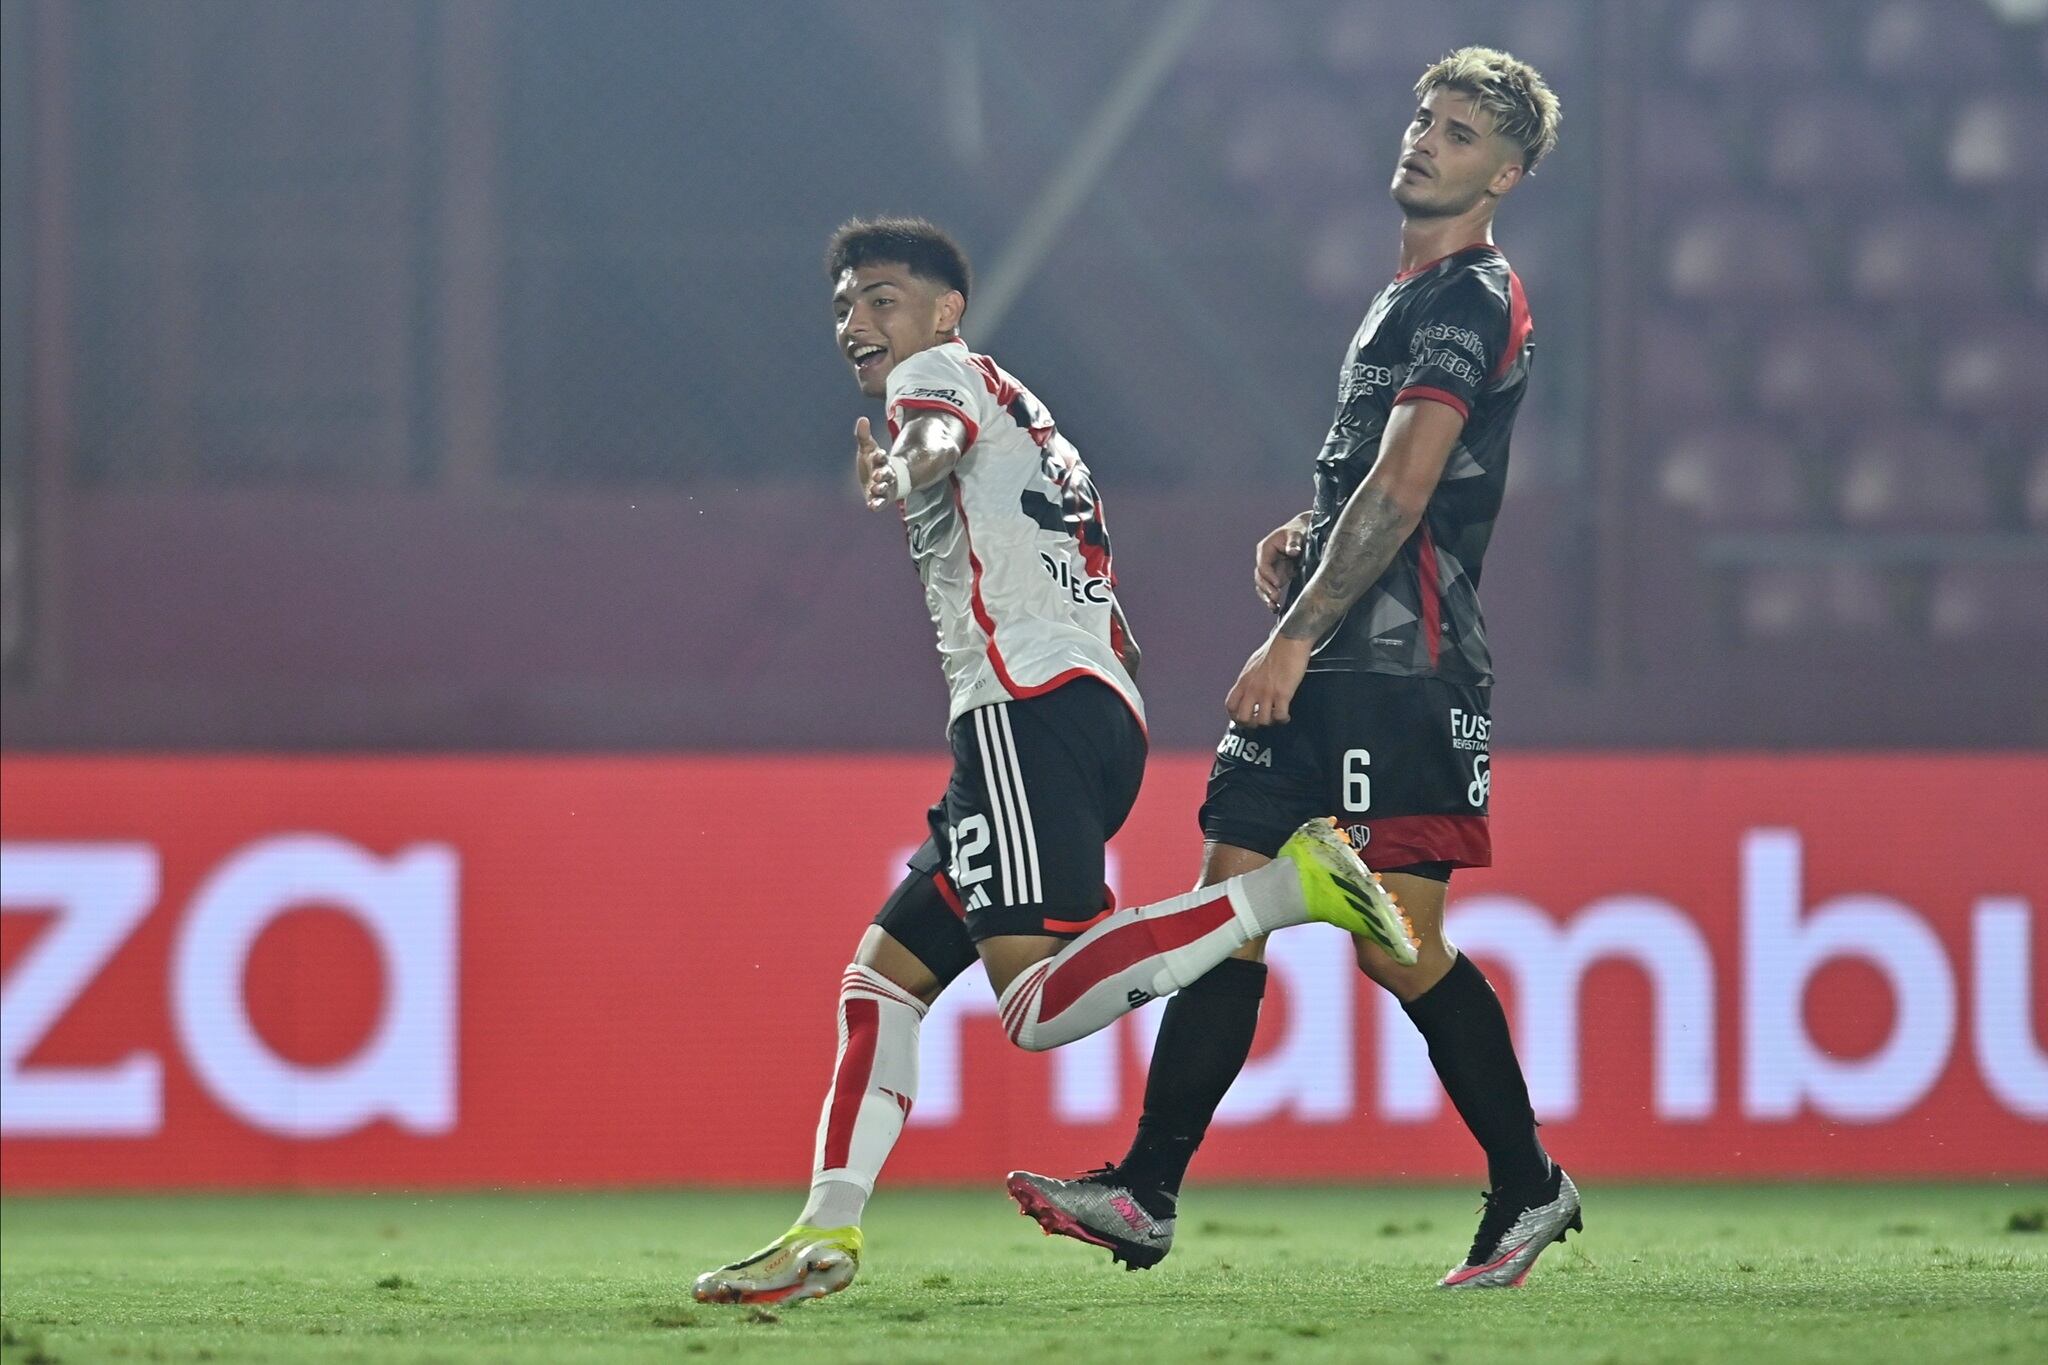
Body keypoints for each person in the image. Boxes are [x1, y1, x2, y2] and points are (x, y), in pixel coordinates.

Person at [691, 217, 1414, 1306]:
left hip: (1019, 706)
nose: (856, 322)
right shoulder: (1031, 413)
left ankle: (1290, 885)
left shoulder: (933, 379)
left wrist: (901, 465)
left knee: (1029, 1002)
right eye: (843, 304)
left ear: (943, 312)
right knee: (880, 979)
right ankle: (822, 1236)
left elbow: (929, 443)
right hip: (1075, 703)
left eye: (881, 298)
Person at [1006, 48, 1579, 1291]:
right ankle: (1145, 1192)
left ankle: (1530, 1184)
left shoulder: (1474, 297)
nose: (1427, 138)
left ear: (1507, 174)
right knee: (1225, 906)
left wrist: (1296, 632)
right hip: (1337, 650)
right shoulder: (1397, 300)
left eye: (1464, 131)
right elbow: (1370, 487)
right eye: (1425, 115)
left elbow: (1407, 487)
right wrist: (1306, 536)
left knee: (1394, 946)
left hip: (1400, 666)